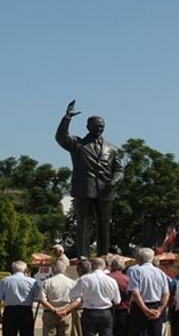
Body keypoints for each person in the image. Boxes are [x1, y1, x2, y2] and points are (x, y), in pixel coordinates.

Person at [55, 100, 124, 257]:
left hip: (106, 191)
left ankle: (103, 257)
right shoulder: (78, 144)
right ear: (88, 127)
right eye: (96, 126)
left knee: (104, 226)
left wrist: (115, 180)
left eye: (102, 126)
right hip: (84, 189)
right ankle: (83, 257)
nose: (99, 129)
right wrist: (67, 118)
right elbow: (60, 137)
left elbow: (119, 169)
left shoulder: (112, 148)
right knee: (83, 224)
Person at [65, 257, 121, 336]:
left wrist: (83, 296)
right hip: (106, 312)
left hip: (89, 312)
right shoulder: (111, 281)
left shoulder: (84, 279)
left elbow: (72, 295)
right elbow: (117, 301)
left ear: (91, 266)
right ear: (104, 266)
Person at [127, 247, 170, 336]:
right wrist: (160, 310)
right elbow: (166, 293)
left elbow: (135, 292)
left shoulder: (136, 271)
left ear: (140, 258)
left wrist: (145, 310)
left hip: (140, 307)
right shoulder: (161, 273)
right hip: (156, 306)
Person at [0, 260, 39, 336]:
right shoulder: (32, 281)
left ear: (13, 269)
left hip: (10, 312)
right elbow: (39, 297)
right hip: (26, 312)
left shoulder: (5, 281)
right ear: (25, 270)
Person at [37, 259, 77, 336]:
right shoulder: (72, 283)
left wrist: (54, 310)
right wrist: (65, 310)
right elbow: (77, 300)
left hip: (50, 313)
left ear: (53, 268)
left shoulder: (46, 282)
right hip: (66, 314)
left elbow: (41, 299)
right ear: (65, 269)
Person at [108, 258, 130, 336]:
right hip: (122, 311)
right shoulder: (126, 279)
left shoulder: (105, 278)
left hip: (107, 310)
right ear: (123, 266)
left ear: (111, 266)